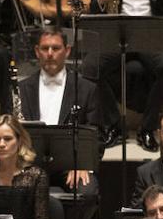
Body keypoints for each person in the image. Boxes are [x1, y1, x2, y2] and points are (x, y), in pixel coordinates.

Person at [88, 0, 163, 151]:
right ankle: (114, 126)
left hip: (151, 33)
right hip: (117, 31)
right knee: (89, 68)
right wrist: (100, 2)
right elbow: (96, 6)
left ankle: (148, 127)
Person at [17, 25, 104, 195]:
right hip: (30, 164)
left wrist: (83, 165)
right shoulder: (21, 89)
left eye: (56, 48)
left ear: (67, 51)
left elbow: (97, 137)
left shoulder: (86, 89)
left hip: (70, 166)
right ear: (37, 51)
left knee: (87, 191)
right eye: (45, 48)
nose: (50, 53)